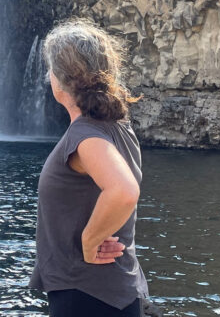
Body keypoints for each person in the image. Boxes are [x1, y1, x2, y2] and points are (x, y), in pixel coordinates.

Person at [30, 19, 150, 317]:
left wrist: (89, 241)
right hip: (113, 292)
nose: (48, 76)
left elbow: (123, 191)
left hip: (85, 297)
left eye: (51, 69)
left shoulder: (85, 136)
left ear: (62, 79)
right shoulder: (116, 126)